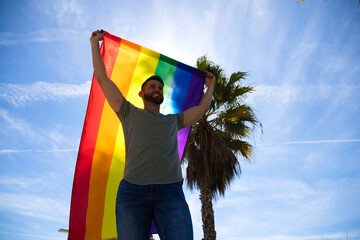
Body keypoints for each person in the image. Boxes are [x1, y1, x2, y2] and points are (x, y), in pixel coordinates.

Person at [90, 29, 215, 240]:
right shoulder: (127, 111)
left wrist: (210, 86)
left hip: (170, 192)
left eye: (160, 87)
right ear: (141, 93)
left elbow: (202, 108)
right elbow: (103, 79)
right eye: (152, 86)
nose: (157, 89)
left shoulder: (173, 121)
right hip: (132, 192)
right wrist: (95, 44)